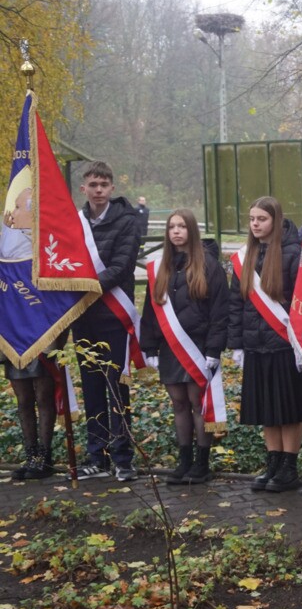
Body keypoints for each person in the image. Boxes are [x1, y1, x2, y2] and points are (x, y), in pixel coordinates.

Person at [228, 196, 302, 493]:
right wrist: (237, 344)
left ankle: (289, 465)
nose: (255, 224)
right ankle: (273, 462)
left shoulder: (294, 253)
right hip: (256, 344)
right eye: (252, 219)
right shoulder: (245, 257)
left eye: (261, 219)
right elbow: (236, 303)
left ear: (275, 221)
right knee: (267, 409)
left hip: (285, 345)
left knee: (289, 409)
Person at [139, 209, 229, 485]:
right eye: (172, 227)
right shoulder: (160, 268)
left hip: (199, 348)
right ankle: (184, 461)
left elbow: (219, 312)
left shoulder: (209, 266)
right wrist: (149, 347)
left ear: (192, 230)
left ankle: (202, 463)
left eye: (182, 226)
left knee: (197, 404)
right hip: (169, 346)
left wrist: (214, 350)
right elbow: (150, 311)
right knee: (178, 404)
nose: (176, 231)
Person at [71, 161, 141, 481]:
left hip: (113, 316)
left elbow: (122, 266)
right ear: (83, 188)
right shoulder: (74, 222)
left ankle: (123, 458)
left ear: (112, 188)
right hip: (83, 317)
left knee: (117, 388)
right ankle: (96, 455)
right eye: (92, 185)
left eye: (103, 184)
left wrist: (87, 286)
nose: (98, 190)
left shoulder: (127, 221)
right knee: (92, 387)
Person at [2, 187, 59, 480]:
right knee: (23, 399)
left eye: (30, 205)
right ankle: (31, 454)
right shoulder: (6, 242)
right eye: (21, 205)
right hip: (12, 328)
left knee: (43, 396)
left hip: (43, 329)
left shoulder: (49, 242)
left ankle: (45, 457)